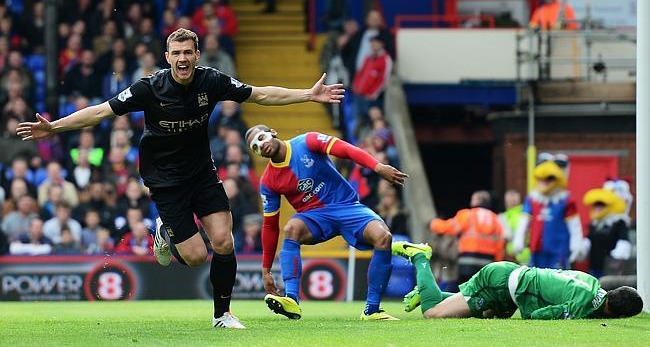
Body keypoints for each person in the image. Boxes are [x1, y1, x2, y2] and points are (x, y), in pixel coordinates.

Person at [16, 28, 344, 329]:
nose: (183, 58)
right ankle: (164, 230)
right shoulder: (149, 87)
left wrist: (307, 95)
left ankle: (223, 315)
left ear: (197, 55)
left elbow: (259, 94)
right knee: (196, 256)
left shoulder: (211, 80)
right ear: (167, 56)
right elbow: (101, 111)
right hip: (165, 180)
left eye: (188, 52)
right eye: (176, 53)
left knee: (224, 242)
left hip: (201, 172)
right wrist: (54, 127)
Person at [244, 124, 408, 321]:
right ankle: (292, 300)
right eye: (255, 147)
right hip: (314, 217)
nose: (261, 146)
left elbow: (346, 149)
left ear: (272, 132)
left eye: (261, 138)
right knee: (291, 228)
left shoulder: (307, 141)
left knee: (383, 237)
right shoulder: (268, 181)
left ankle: (372, 310)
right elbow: (270, 226)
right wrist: (266, 270)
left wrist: (378, 167)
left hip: (346, 205)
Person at [392, 241, 643, 320]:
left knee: (484, 316)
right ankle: (420, 257)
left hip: (514, 280)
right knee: (432, 313)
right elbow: (538, 316)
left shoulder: (592, 283)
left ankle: (427, 291)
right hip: (501, 284)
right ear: (619, 315)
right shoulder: (583, 306)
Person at [430, 190, 505, 284]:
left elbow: (449, 227)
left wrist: (433, 223)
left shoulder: (467, 215)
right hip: (487, 262)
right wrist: (497, 262)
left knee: (466, 290)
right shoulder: (496, 219)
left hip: (467, 260)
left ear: (478, 200)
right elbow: (500, 244)